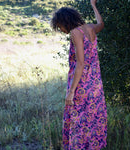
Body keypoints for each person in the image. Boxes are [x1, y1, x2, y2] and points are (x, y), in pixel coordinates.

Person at [51, 0, 107, 149]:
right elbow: (101, 24)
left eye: (59, 26)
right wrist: (93, 5)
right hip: (95, 84)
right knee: (92, 119)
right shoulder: (89, 28)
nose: (61, 29)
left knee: (79, 122)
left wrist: (71, 92)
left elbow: (80, 64)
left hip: (82, 85)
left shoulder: (76, 32)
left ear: (65, 21)